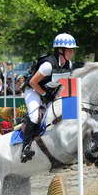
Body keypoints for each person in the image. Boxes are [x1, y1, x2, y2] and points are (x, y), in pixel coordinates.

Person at [21, 33, 76, 162]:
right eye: (70, 49)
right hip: (33, 91)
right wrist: (45, 95)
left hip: (49, 93)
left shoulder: (69, 65)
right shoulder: (48, 65)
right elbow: (33, 82)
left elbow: (64, 84)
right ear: (60, 50)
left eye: (73, 49)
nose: (72, 52)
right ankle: (25, 149)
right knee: (35, 117)